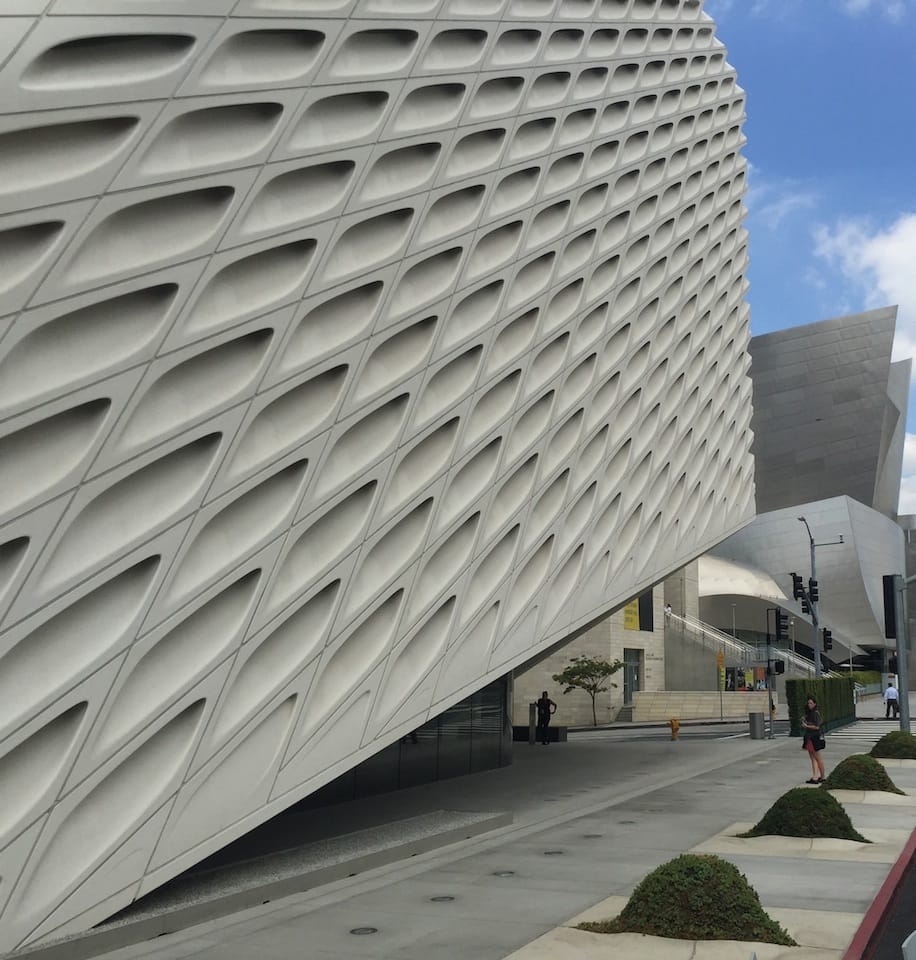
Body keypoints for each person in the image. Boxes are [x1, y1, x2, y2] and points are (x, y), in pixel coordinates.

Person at [801, 695, 826, 784]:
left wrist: (806, 726)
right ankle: (815, 776)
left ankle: (822, 776)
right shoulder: (811, 713)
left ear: (815, 704)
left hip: (813, 737)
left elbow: (817, 727)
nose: (809, 705)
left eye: (811, 703)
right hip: (810, 737)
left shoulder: (815, 713)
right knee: (813, 758)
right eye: (808, 703)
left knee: (817, 758)